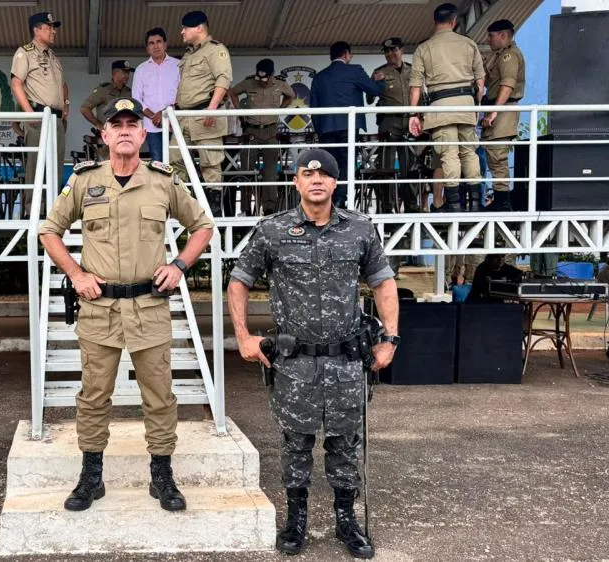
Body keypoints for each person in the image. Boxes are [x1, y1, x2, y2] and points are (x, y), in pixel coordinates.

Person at [38, 98, 215, 513]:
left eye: (131, 124)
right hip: (99, 309)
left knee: (159, 396)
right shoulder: (84, 181)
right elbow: (49, 230)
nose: (123, 131)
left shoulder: (162, 181)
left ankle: (162, 475)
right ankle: (91, 476)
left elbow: (202, 226)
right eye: (115, 125)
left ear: (142, 133)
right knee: (93, 397)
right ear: (104, 135)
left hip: (149, 307)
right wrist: (76, 274)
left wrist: (179, 265)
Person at [227, 148, 400, 559]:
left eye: (324, 175)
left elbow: (383, 282)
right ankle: (296, 520)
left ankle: (346, 520)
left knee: (345, 443)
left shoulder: (359, 229)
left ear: (335, 182)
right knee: (295, 443)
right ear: (297, 181)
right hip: (295, 363)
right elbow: (239, 281)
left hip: (346, 361)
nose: (316, 180)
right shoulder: (272, 230)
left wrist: (390, 339)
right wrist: (243, 336)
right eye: (308, 174)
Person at [408, 3, 485, 212]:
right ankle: (476, 204)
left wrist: (413, 114)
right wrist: (475, 106)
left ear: (435, 22)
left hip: (440, 107)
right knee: (469, 153)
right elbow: (480, 81)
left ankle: (454, 205)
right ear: (454, 21)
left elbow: (415, 86)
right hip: (466, 105)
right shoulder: (469, 44)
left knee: (449, 155)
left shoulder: (424, 48)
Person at [171, 10, 232, 216]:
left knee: (210, 163)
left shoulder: (216, 50)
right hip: (183, 118)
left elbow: (223, 78)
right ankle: (184, 206)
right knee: (174, 159)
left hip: (205, 114)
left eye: (185, 28)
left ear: (198, 28)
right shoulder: (190, 54)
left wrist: (212, 108)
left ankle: (213, 214)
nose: (182, 32)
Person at [309, 41, 385, 208]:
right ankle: (340, 199)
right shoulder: (355, 70)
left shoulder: (319, 77)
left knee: (328, 165)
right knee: (346, 162)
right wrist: (379, 81)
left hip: (326, 128)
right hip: (348, 128)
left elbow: (313, 107)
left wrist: (319, 130)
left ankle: (330, 198)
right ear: (345, 54)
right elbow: (375, 90)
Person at [10, 12, 69, 218]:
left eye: (54, 27)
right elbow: (16, 83)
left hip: (56, 118)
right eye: (49, 27)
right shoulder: (25, 52)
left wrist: (66, 105)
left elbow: (63, 85)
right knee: (36, 166)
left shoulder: (53, 56)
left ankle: (52, 211)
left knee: (56, 165)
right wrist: (29, 114)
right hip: (38, 116)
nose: (54, 31)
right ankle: (32, 212)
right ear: (36, 30)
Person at [228, 58, 296, 215]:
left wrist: (280, 109)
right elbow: (233, 93)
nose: (262, 82)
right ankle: (245, 208)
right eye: (259, 79)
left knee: (270, 172)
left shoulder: (280, 84)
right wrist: (240, 113)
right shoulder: (249, 82)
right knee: (246, 170)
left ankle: (269, 208)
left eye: (265, 79)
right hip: (251, 131)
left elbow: (290, 96)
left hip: (271, 131)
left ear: (272, 75)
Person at [368, 37, 419, 214]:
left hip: (409, 122)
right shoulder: (379, 71)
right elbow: (369, 98)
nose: (390, 54)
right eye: (387, 51)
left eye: (394, 50)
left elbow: (420, 95)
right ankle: (387, 206)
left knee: (410, 165)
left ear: (402, 50)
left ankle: (411, 205)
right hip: (389, 122)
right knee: (386, 167)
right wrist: (375, 83)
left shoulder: (413, 70)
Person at [480, 19, 525, 212]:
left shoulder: (509, 56)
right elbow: (493, 82)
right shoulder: (499, 56)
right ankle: (500, 199)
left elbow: (507, 85)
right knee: (493, 154)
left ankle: (502, 201)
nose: (488, 40)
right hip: (498, 108)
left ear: (503, 35)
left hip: (503, 109)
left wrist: (494, 111)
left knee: (498, 155)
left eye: (491, 36)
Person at [132, 28, 180, 163]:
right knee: (158, 162)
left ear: (165, 44)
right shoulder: (141, 69)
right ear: (147, 48)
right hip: (152, 125)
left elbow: (183, 94)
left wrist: (165, 113)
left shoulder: (178, 66)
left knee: (179, 162)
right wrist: (155, 117)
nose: (156, 46)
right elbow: (136, 98)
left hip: (175, 122)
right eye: (151, 43)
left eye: (159, 41)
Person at [80, 60, 133, 131]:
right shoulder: (103, 90)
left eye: (128, 73)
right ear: (115, 73)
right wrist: (99, 125)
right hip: (107, 134)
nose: (127, 76)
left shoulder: (129, 92)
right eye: (124, 72)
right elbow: (84, 108)